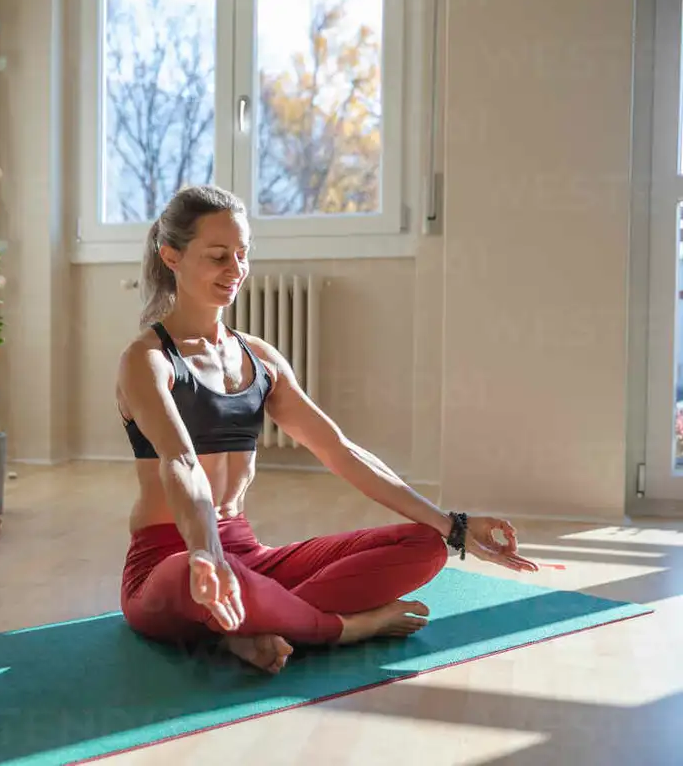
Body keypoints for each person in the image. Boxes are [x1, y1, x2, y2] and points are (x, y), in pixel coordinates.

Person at [115, 185, 539, 675]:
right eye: (217, 256)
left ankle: (246, 627)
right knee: (190, 575)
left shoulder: (260, 358)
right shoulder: (146, 360)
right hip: (174, 560)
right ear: (172, 255)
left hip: (247, 556)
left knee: (423, 545)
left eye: (242, 254)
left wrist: (455, 526)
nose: (235, 270)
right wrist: (208, 556)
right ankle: (342, 627)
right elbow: (181, 462)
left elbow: (338, 450)